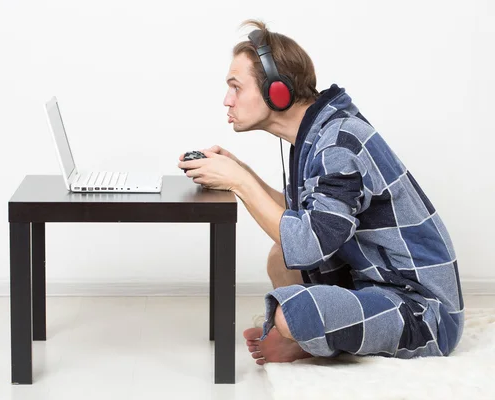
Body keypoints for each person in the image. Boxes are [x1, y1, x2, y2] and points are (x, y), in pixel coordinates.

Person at [178, 20, 464, 365]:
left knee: (292, 314)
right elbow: (308, 216)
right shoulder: (317, 135)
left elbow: (308, 244)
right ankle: (314, 335)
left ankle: (302, 338)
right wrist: (242, 171)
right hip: (371, 284)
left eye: (235, 87)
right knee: (278, 256)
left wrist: (240, 181)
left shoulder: (339, 143)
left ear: (276, 90)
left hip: (423, 313)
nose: (227, 99)